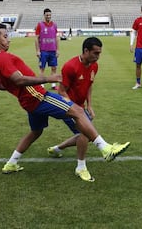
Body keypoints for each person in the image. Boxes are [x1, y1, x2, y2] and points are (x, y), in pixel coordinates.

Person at [0, 23, 130, 174]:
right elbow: (18, 80)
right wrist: (48, 78)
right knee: (78, 111)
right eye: (5, 36)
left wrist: (17, 91)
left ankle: (11, 163)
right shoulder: (3, 58)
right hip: (38, 97)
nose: (9, 40)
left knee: (36, 131)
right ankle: (105, 148)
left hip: (28, 101)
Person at [48, 37, 103, 182]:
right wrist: (74, 109)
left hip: (81, 106)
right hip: (67, 106)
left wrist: (89, 105)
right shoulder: (70, 66)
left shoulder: (94, 66)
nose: (98, 57)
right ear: (86, 51)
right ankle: (81, 167)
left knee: (87, 135)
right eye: (95, 53)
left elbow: (89, 85)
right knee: (85, 133)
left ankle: (57, 149)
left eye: (99, 53)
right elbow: (61, 91)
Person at [35, 8, 59, 90]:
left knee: (54, 68)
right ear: (44, 15)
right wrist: (37, 50)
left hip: (53, 51)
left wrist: (57, 50)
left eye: (49, 15)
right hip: (43, 51)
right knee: (42, 68)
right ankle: (41, 85)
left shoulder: (54, 25)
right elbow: (36, 38)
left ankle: (53, 85)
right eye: (47, 15)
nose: (48, 16)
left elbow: (56, 38)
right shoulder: (40, 25)